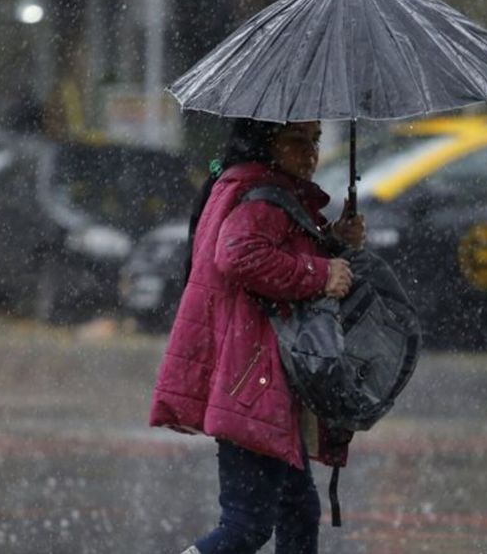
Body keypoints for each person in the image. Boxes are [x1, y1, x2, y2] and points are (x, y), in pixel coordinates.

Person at [149, 118, 365, 554]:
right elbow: (240, 255)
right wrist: (320, 272)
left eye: (315, 140)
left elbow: (272, 252)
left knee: (298, 512)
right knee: (247, 526)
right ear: (265, 144)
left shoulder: (254, 187)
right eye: (296, 140)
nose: (310, 151)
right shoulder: (261, 195)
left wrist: (331, 240)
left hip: (255, 376)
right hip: (253, 380)